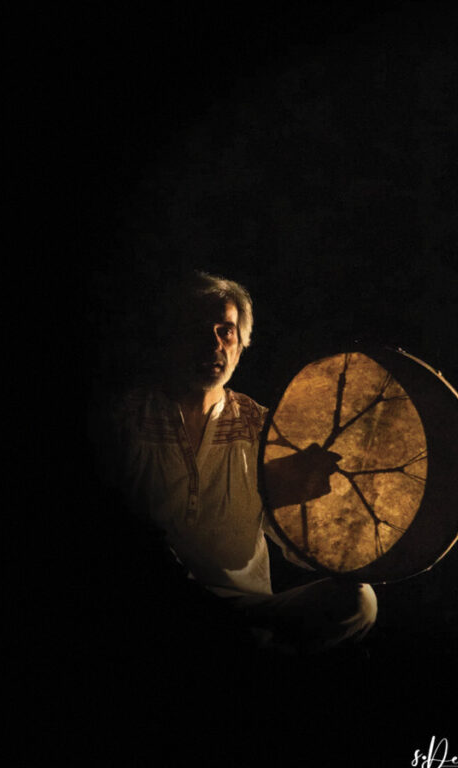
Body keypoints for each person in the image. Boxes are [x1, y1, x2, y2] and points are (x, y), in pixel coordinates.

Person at [109, 271, 377, 653]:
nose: (213, 344)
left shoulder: (262, 428)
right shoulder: (127, 420)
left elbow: (301, 544)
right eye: (198, 330)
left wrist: (323, 514)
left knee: (359, 601)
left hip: (246, 606)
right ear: (172, 338)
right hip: (162, 604)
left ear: (241, 344)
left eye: (226, 331)